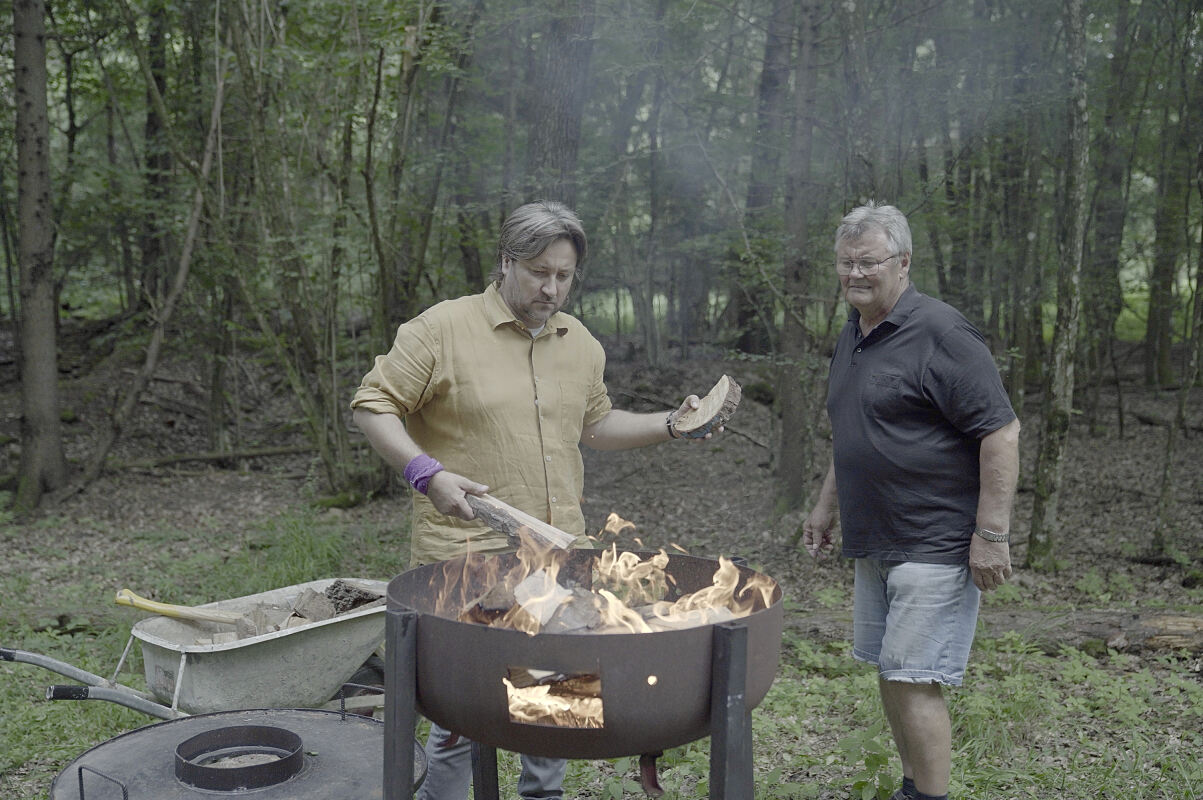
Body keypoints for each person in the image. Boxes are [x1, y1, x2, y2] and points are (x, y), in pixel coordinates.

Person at [351, 200, 719, 800]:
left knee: (553, 709)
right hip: (464, 562)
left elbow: (595, 427)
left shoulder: (580, 344)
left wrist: (671, 425)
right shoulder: (442, 328)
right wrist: (426, 472)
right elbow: (373, 403)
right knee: (460, 724)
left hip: (557, 559)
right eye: (538, 272)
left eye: (564, 276)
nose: (552, 288)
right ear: (505, 262)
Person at [801, 203, 1020, 800]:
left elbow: (1000, 431)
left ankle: (931, 796)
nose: (855, 274)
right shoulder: (856, 331)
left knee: (913, 676)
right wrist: (827, 505)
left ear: (903, 262)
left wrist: (991, 534)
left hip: (935, 538)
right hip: (876, 537)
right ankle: (912, 787)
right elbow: (854, 430)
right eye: (846, 263)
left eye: (868, 262)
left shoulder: (941, 332)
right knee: (890, 672)